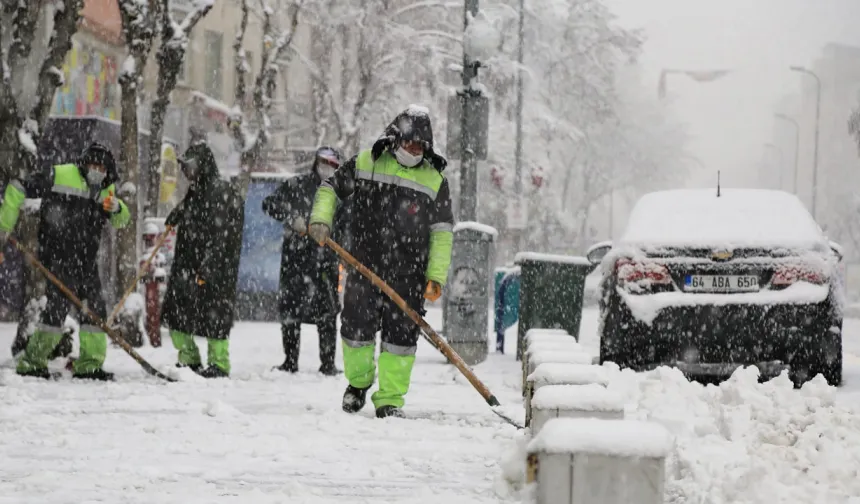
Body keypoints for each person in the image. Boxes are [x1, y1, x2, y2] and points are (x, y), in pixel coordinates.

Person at [307, 106, 454, 418]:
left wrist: (435, 276)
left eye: (420, 146)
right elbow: (330, 188)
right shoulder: (366, 162)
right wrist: (321, 220)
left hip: (409, 275)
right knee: (355, 330)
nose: (414, 150)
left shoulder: (435, 180)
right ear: (395, 138)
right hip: (364, 266)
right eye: (410, 143)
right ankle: (358, 384)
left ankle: (389, 400)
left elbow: (442, 233)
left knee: (400, 339)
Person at [0, 142, 130, 380]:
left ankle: (89, 365)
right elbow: (18, 187)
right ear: (84, 163)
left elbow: (121, 222)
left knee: (95, 312)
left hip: (86, 262)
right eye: (92, 164)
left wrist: (118, 208)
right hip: (57, 258)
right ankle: (32, 363)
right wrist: (3, 226)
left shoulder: (105, 191)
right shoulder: (61, 175)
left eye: (101, 167)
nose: (96, 170)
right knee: (55, 312)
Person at [262, 146, 350, 375]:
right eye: (323, 162)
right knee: (291, 312)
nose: (327, 167)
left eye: (332, 165)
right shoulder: (296, 185)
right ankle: (290, 361)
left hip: (326, 262)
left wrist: (339, 242)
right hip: (295, 260)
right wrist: (292, 218)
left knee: (328, 314)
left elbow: (349, 223)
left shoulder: (341, 194)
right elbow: (269, 203)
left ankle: (328, 364)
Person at [161, 141, 245, 378]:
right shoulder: (197, 190)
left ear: (203, 166)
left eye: (190, 166)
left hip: (213, 268)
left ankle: (219, 364)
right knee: (177, 311)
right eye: (185, 167)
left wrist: (208, 268)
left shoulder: (219, 192)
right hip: (189, 264)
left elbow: (221, 236)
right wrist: (177, 214)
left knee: (214, 316)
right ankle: (188, 358)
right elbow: (191, 209)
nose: (187, 172)